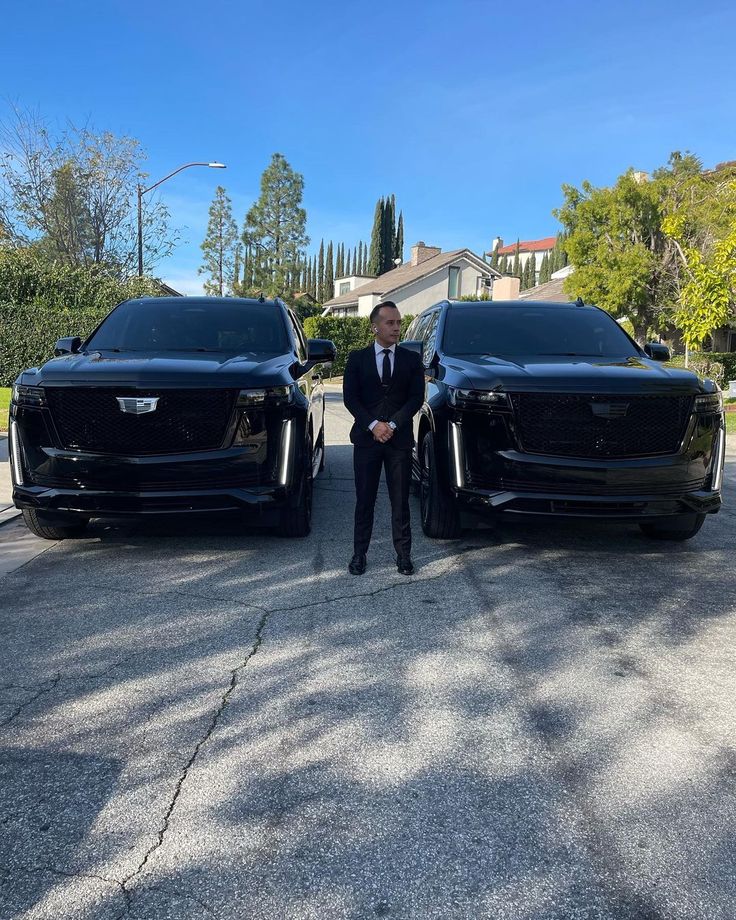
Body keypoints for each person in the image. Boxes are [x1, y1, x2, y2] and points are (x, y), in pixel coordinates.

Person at [343, 300, 424, 576]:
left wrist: (392, 424)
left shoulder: (411, 360)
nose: (397, 328)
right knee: (364, 500)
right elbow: (351, 399)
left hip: (398, 441)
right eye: (391, 322)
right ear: (375, 327)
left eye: (399, 322)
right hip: (367, 441)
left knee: (400, 501)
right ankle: (358, 555)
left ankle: (403, 556)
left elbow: (416, 398)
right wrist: (373, 425)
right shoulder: (357, 359)